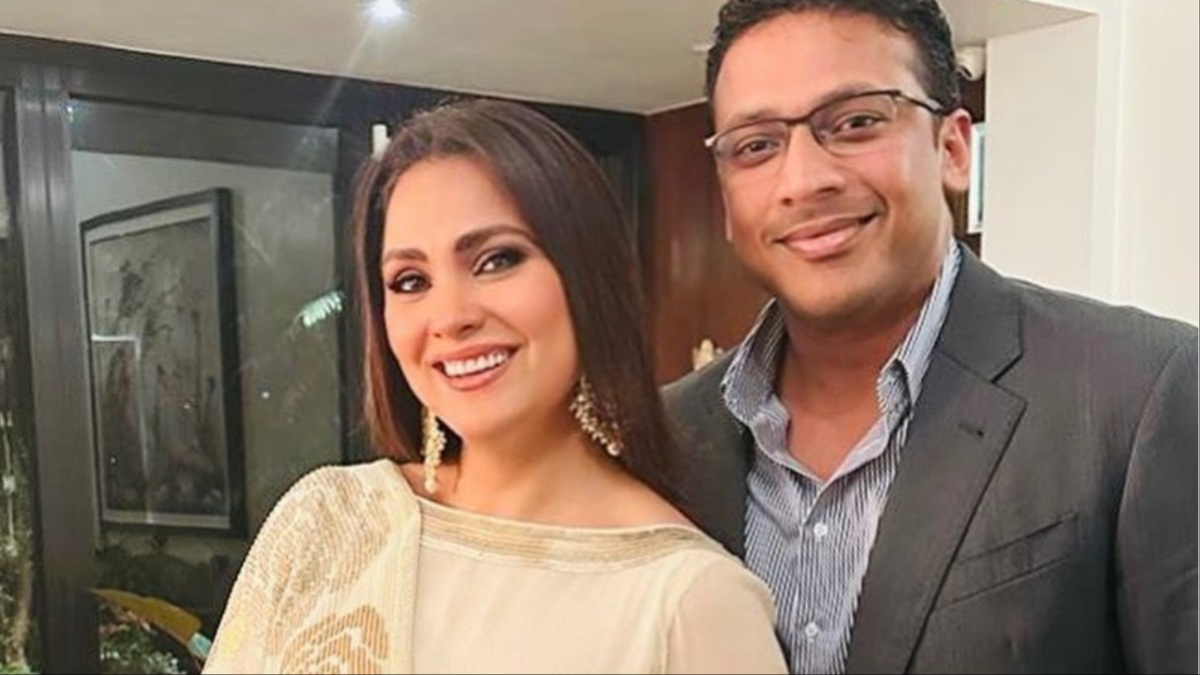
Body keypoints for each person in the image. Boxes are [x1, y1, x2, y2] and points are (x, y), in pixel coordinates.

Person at [664, 1, 1198, 673]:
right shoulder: (666, 435)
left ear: (953, 148)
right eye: (756, 146)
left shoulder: (1138, 392)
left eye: (856, 122)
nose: (803, 181)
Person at [203, 99, 787, 674]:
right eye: (410, 281)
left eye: (496, 260)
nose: (449, 316)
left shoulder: (689, 601)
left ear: (588, 275)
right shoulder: (329, 522)